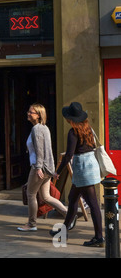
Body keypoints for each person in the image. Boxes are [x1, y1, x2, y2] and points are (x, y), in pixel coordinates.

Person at [49, 102, 104, 247]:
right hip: (91, 165)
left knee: (93, 204)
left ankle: (99, 237)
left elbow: (68, 155)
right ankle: (64, 230)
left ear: (71, 119)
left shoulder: (73, 132)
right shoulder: (88, 129)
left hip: (82, 167)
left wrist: (58, 172)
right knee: (72, 198)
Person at [17, 103, 68, 232]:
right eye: (28, 111)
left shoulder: (37, 129)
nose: (28, 114)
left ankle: (31, 224)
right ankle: (69, 215)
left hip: (39, 167)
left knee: (31, 194)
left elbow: (40, 151)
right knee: (46, 197)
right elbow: (47, 150)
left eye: (31, 112)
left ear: (39, 115)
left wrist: (38, 167)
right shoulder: (44, 128)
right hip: (47, 168)